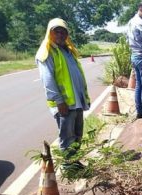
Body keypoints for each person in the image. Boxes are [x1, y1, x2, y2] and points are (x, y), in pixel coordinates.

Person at [36, 18, 90, 162]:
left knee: (78, 135)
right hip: (64, 104)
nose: (60, 35)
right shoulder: (46, 53)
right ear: (50, 33)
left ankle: (75, 163)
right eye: (56, 32)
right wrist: (60, 101)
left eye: (63, 32)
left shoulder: (68, 50)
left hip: (76, 102)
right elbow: (48, 81)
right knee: (67, 137)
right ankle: (68, 166)